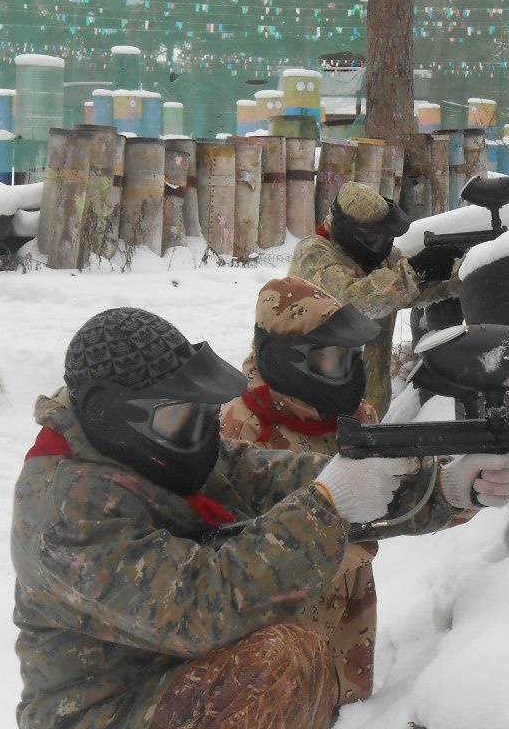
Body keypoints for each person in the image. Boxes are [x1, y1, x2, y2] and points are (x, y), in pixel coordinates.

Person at [10, 306, 509, 729]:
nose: (199, 431)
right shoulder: (64, 507)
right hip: (103, 710)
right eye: (178, 415)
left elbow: (284, 478)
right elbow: (201, 605)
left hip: (170, 679)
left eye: (201, 414)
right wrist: (329, 506)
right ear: (108, 411)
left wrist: (444, 487)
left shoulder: (149, 451)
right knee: (279, 660)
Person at [220, 275, 385, 705]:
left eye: (351, 358)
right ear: (287, 360)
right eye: (332, 360)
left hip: (349, 604)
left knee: (350, 708)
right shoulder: (243, 428)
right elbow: (250, 552)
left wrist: (457, 491)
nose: (346, 373)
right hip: (281, 620)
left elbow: (392, 491)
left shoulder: (352, 414)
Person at [289, 181, 461, 417]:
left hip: (366, 411)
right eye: (375, 238)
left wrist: (462, 272)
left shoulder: (380, 257)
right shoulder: (313, 255)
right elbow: (353, 304)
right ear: (348, 230)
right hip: (313, 408)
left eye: (386, 237)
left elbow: (412, 289)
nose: (383, 246)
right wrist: (416, 271)